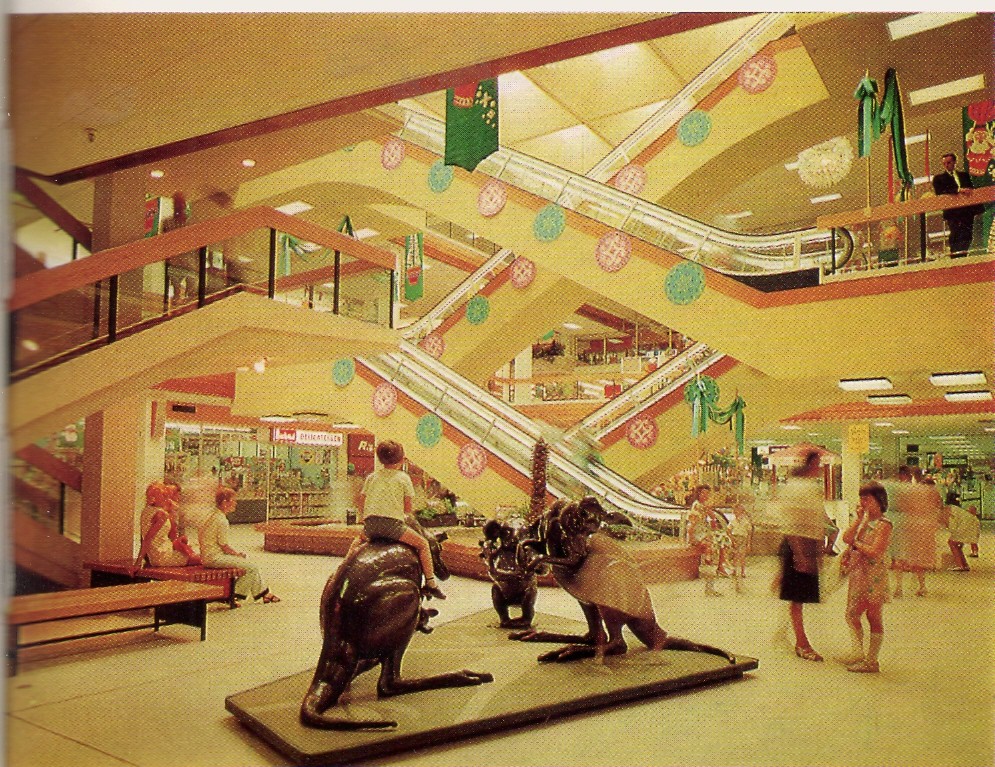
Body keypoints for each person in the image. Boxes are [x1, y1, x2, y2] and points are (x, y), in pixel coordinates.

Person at [345, 440, 446, 600]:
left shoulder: (372, 477)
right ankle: (431, 582)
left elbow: (361, 500)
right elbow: (407, 509)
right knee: (423, 545)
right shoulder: (403, 478)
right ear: (401, 459)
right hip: (392, 526)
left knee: (357, 540)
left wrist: (366, 515)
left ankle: (344, 568)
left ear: (380, 459)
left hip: (371, 526)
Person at [771, 450, 826, 661]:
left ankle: (789, 635)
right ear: (811, 464)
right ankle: (801, 643)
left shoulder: (811, 488)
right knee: (797, 598)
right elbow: (791, 524)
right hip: (799, 546)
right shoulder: (796, 488)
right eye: (817, 464)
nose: (819, 468)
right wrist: (800, 555)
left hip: (807, 546)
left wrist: (818, 550)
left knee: (798, 596)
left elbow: (816, 521)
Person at [839, 482, 893, 673]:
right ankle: (858, 652)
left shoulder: (884, 524)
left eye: (867, 499)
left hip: (874, 575)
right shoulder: (865, 521)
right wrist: (859, 520)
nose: (863, 502)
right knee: (852, 613)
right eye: (861, 498)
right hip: (859, 573)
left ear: (879, 500)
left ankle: (872, 660)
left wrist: (856, 544)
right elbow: (846, 538)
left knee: (873, 615)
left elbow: (875, 551)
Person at [199, 486, 280, 605]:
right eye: (233, 500)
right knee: (251, 568)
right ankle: (233, 596)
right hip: (214, 558)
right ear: (225, 502)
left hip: (208, 556)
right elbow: (224, 546)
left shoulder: (213, 516)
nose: (236, 503)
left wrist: (236, 556)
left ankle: (264, 594)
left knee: (249, 565)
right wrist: (237, 555)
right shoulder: (221, 521)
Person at [889, 467, 940, 598]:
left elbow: (899, 507)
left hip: (903, 524)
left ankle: (899, 588)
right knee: (918, 559)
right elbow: (935, 506)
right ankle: (922, 586)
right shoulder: (924, 490)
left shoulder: (899, 490)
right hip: (919, 526)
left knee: (899, 557)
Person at [134, 482, 201, 569]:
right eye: (164, 495)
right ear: (154, 498)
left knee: (188, 548)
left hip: (156, 556)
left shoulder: (146, 511)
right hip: (163, 556)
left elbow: (150, 538)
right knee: (202, 560)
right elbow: (147, 538)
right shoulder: (161, 514)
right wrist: (138, 563)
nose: (168, 498)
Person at [932, 152, 980, 257]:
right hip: (953, 212)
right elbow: (940, 192)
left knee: (967, 234)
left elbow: (971, 189)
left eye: (949, 162)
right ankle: (955, 256)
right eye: (944, 163)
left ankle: (964, 255)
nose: (946, 165)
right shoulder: (939, 179)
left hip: (966, 211)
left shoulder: (964, 176)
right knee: (955, 234)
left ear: (954, 162)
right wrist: (958, 190)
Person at [685, 484, 729, 596]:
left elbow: (712, 517)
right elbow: (692, 526)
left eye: (707, 493)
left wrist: (712, 518)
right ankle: (710, 582)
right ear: (698, 494)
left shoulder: (704, 505)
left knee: (723, 539)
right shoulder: (697, 505)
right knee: (711, 550)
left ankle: (720, 566)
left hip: (704, 532)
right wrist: (692, 540)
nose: (706, 495)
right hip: (698, 533)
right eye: (703, 493)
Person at [945, 492, 977, 572]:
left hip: (966, 525)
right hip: (972, 523)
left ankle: (960, 565)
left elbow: (952, 522)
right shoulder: (956, 508)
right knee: (956, 544)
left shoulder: (949, 508)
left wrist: (952, 531)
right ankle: (964, 565)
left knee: (952, 543)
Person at [727, 500, 754, 593]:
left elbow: (749, 532)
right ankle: (734, 570)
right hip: (735, 538)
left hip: (743, 538)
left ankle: (742, 571)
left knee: (742, 555)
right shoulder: (733, 521)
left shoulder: (746, 521)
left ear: (741, 511)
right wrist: (732, 539)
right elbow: (728, 530)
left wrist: (748, 543)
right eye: (734, 511)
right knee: (735, 555)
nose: (735, 513)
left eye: (737, 511)